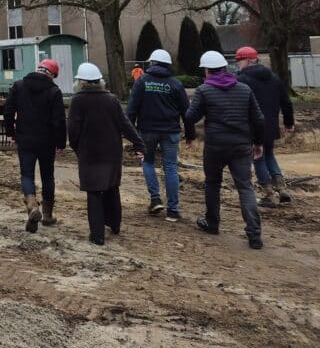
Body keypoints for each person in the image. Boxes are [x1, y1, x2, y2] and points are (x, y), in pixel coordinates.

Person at [186, 50, 266, 249]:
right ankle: (254, 234)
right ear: (225, 68)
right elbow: (259, 119)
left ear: (207, 70)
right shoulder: (244, 89)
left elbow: (190, 117)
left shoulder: (204, 90)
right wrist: (258, 143)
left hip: (215, 145)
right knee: (245, 187)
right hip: (241, 144)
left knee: (212, 183)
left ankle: (212, 223)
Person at [68, 62, 145, 245]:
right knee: (112, 187)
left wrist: (77, 147)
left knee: (94, 192)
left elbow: (73, 129)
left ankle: (97, 235)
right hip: (112, 152)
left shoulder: (78, 101)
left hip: (90, 153)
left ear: (81, 82)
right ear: (99, 81)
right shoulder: (111, 99)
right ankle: (115, 225)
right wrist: (138, 144)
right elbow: (125, 124)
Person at [126, 49, 194, 221]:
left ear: (152, 63)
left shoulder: (142, 81)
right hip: (171, 131)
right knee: (170, 167)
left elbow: (132, 108)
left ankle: (155, 199)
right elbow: (187, 112)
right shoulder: (175, 84)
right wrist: (190, 135)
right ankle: (173, 211)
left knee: (147, 162)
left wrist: (129, 133)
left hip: (147, 131)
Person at [3, 59, 66, 232]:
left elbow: (8, 110)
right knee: (47, 176)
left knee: (27, 175)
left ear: (38, 68)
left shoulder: (19, 86)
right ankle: (47, 216)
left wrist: (10, 133)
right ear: (52, 74)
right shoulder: (54, 91)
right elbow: (59, 121)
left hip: (25, 139)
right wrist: (60, 143)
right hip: (47, 142)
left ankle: (32, 205)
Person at [235, 46, 295, 206]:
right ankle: (281, 188)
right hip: (271, 125)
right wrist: (289, 122)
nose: (237, 63)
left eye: (239, 60)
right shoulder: (274, 78)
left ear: (249, 60)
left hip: (252, 126)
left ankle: (268, 194)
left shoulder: (242, 81)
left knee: (258, 157)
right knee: (269, 154)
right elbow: (286, 102)